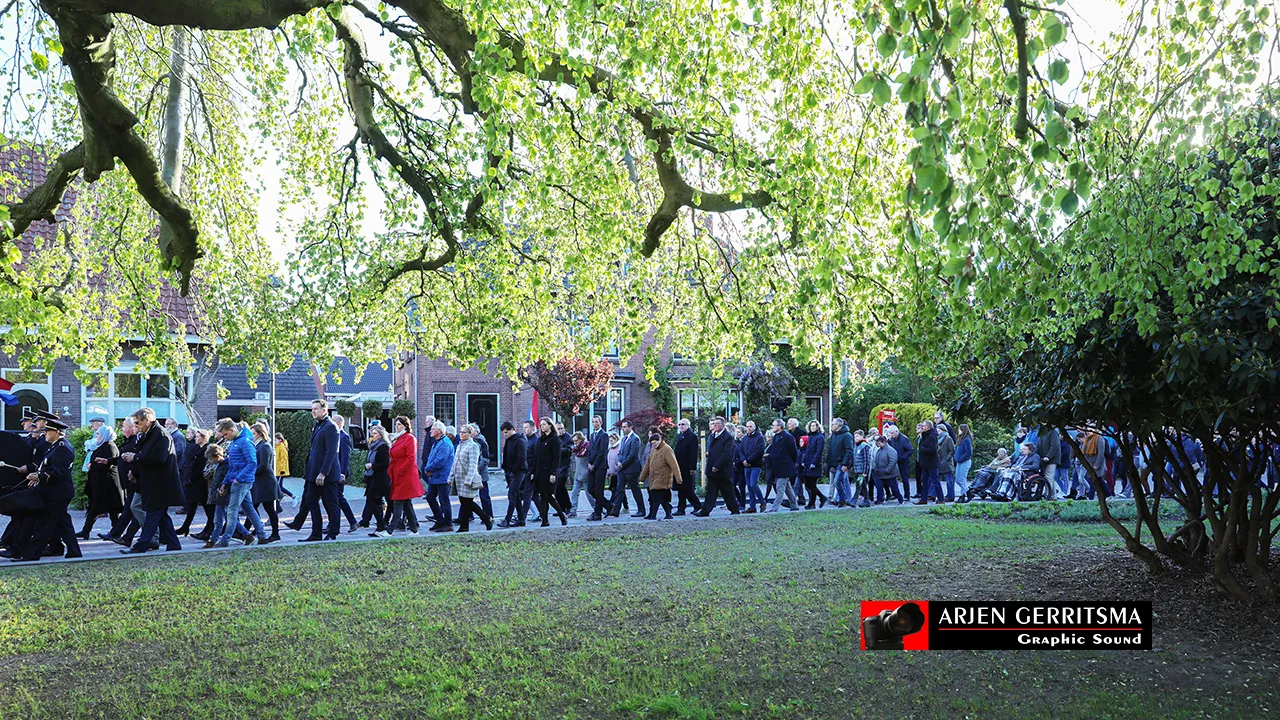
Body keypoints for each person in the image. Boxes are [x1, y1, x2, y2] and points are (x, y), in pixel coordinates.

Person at [4, 418, 82, 561]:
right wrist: (37, 475)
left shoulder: (62, 448)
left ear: (57, 432)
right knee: (63, 523)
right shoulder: (55, 446)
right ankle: (74, 552)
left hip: (57, 492)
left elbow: (58, 473)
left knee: (44, 525)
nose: (45, 433)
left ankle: (30, 555)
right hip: (54, 491)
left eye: (48, 431)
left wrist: (38, 476)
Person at [121, 407, 185, 555]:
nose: (136, 426)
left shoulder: (161, 435)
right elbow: (145, 455)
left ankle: (141, 545)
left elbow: (159, 458)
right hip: (153, 483)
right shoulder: (149, 434)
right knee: (161, 516)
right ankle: (174, 545)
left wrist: (134, 457)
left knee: (153, 515)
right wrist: (135, 470)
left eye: (138, 423)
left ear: (147, 421)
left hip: (160, 484)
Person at [290, 399, 341, 542]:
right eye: (312, 409)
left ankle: (333, 532)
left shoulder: (331, 426)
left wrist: (323, 473)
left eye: (316, 409)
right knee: (310, 500)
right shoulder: (318, 425)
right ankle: (316, 533)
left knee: (330, 503)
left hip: (326, 474)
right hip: (314, 473)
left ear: (324, 410)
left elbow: (331, 452)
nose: (313, 411)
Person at [211, 419, 268, 547]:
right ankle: (262, 535)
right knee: (249, 509)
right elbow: (233, 466)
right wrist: (225, 482)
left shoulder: (244, 442)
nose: (225, 437)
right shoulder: (236, 442)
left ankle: (225, 540)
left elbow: (252, 463)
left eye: (226, 434)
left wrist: (238, 478)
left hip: (242, 481)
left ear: (232, 430)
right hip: (238, 480)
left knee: (231, 511)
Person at [77, 423, 123, 538]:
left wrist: (91, 466)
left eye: (98, 434)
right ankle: (87, 531)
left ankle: (115, 532)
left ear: (105, 435)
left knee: (111, 509)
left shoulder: (110, 446)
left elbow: (107, 465)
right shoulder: (101, 445)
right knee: (96, 507)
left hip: (108, 485)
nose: (96, 436)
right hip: (99, 483)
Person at [450, 424, 493, 532]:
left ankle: (486, 518)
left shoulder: (473, 446)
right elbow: (454, 463)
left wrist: (469, 479)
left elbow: (473, 465)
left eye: (464, 432)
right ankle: (464, 526)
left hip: (467, 478)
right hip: (459, 478)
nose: (461, 434)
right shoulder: (460, 445)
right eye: (460, 432)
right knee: (464, 502)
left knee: (468, 502)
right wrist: (450, 477)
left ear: (470, 434)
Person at [387, 416, 425, 536]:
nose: (397, 426)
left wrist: (401, 471)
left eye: (399, 424)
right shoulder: (398, 438)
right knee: (407, 503)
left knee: (398, 502)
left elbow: (411, 457)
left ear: (405, 425)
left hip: (405, 475)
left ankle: (389, 530)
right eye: (396, 424)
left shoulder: (409, 438)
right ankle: (414, 529)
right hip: (397, 473)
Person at [697, 417, 740, 516]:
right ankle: (705, 511)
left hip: (722, 470)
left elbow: (726, 454)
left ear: (723, 425)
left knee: (727, 491)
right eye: (714, 424)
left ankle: (734, 509)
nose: (715, 426)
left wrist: (717, 466)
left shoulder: (727, 437)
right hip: (712, 469)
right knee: (711, 491)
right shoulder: (713, 436)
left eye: (717, 424)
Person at [531, 418, 568, 526]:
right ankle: (545, 520)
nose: (542, 426)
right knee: (543, 496)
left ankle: (560, 514)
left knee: (547, 495)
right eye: (541, 425)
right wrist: (533, 471)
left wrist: (553, 473)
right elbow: (536, 457)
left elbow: (557, 458)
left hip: (549, 472)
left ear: (550, 425)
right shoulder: (540, 440)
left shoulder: (555, 439)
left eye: (544, 424)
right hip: (539, 472)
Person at [177, 428, 213, 537]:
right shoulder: (197, 448)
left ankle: (210, 528)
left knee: (206, 506)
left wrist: (192, 477)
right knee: (192, 504)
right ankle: (185, 526)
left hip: (201, 482)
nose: (196, 439)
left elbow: (202, 466)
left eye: (198, 437)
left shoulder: (207, 449)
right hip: (193, 481)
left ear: (203, 438)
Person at [249, 423, 282, 543]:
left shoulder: (265, 446)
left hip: (266, 483)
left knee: (268, 509)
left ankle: (275, 534)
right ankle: (251, 531)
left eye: (253, 433)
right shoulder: (258, 446)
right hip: (260, 482)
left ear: (260, 433)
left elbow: (264, 465)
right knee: (252, 507)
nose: (252, 436)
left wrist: (250, 473)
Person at [422, 421, 455, 532]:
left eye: (433, 429)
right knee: (430, 497)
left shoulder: (445, 443)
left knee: (444, 500)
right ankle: (440, 520)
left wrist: (429, 469)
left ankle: (448, 523)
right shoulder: (437, 442)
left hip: (442, 477)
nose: (430, 430)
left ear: (439, 431)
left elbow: (440, 461)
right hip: (435, 477)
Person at [639, 431, 679, 520]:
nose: (654, 444)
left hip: (663, 478)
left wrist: (678, 478)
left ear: (660, 440)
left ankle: (653, 515)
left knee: (656, 498)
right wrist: (642, 477)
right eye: (652, 443)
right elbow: (647, 465)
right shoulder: (653, 450)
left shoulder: (667, 449)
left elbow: (674, 465)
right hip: (654, 478)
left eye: (655, 442)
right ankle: (668, 514)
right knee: (662, 499)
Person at [610, 420, 646, 518]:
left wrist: (623, 463)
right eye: (622, 427)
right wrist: (619, 461)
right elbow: (620, 452)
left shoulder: (635, 439)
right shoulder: (623, 439)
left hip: (632, 469)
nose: (623, 429)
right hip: (622, 469)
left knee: (635, 489)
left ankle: (641, 510)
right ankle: (615, 511)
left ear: (630, 427)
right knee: (619, 489)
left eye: (625, 427)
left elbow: (632, 454)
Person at [361, 424, 393, 534]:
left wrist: (372, 466)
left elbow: (385, 463)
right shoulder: (373, 445)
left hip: (380, 478)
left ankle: (382, 524)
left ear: (380, 435)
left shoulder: (383, 446)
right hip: (372, 477)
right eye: (372, 433)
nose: (372, 435)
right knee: (375, 501)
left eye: (375, 433)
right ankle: (381, 525)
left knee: (372, 500)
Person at [498, 421, 529, 528]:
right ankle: (521, 519)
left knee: (511, 495)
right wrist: (505, 469)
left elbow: (521, 458)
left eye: (506, 432)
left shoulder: (520, 441)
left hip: (518, 472)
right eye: (504, 433)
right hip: (510, 472)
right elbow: (506, 455)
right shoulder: (509, 441)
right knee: (515, 495)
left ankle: (507, 519)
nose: (505, 434)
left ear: (512, 429)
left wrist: (513, 471)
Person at [332, 415, 360, 533]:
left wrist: (342, 473)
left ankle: (352, 521)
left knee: (338, 497)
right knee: (334, 499)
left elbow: (345, 456)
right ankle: (333, 524)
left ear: (339, 424)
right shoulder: (335, 436)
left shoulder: (344, 437)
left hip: (340, 473)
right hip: (334, 472)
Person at [765, 419, 800, 512]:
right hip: (777, 466)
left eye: (774, 425)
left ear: (779, 426)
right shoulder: (776, 437)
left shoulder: (788, 437)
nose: (772, 427)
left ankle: (774, 508)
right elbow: (774, 450)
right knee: (787, 487)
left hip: (785, 466)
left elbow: (793, 452)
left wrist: (792, 462)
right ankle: (794, 505)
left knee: (780, 487)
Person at [673, 418, 703, 516]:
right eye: (680, 424)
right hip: (679, 466)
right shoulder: (680, 436)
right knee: (681, 488)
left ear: (688, 425)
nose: (681, 426)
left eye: (683, 424)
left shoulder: (692, 437)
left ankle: (697, 505)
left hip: (686, 467)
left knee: (687, 489)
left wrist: (692, 468)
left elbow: (693, 453)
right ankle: (681, 509)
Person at [585, 415, 610, 521]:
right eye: (593, 422)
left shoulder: (604, 435)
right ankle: (608, 505)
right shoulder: (592, 435)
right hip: (592, 466)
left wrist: (595, 465)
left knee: (599, 490)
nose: (595, 424)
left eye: (597, 422)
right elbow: (590, 450)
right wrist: (589, 463)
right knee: (590, 488)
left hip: (600, 467)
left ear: (601, 423)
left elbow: (602, 452)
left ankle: (597, 513)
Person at [737, 420, 766, 513]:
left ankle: (762, 501)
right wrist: (744, 460)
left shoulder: (760, 438)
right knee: (749, 486)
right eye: (747, 426)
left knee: (753, 484)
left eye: (750, 426)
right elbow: (741, 450)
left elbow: (759, 451)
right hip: (746, 465)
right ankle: (752, 506)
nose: (748, 428)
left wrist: (748, 460)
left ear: (754, 427)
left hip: (756, 465)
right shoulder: (745, 438)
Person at [800, 420, 828, 509]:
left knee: (811, 484)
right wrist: (803, 460)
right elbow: (807, 450)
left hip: (814, 463)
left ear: (818, 427)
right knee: (808, 484)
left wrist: (814, 462)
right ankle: (821, 497)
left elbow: (818, 451)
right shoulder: (810, 437)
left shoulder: (820, 437)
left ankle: (812, 503)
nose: (813, 427)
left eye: (814, 426)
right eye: (811, 426)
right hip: (808, 462)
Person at [913, 421, 943, 505]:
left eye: (923, 426)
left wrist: (922, 448)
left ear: (928, 427)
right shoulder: (924, 436)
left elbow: (933, 450)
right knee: (924, 481)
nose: (922, 427)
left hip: (931, 462)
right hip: (925, 463)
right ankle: (923, 499)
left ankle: (941, 498)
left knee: (935, 480)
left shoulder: (932, 436)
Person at [826, 418, 853, 507]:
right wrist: (829, 464)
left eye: (833, 424)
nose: (832, 426)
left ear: (838, 425)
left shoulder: (847, 436)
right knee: (839, 481)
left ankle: (843, 500)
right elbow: (830, 450)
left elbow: (849, 450)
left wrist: (845, 464)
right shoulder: (833, 436)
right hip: (834, 463)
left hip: (841, 463)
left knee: (838, 481)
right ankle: (843, 499)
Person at [871, 434, 902, 504]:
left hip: (889, 474)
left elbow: (893, 461)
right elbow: (876, 460)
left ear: (883, 442)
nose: (878, 445)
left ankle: (900, 499)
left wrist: (887, 470)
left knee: (894, 488)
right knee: (879, 487)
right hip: (880, 473)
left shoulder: (890, 450)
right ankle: (880, 499)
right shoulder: (879, 450)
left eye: (879, 443)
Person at [1034, 425, 1062, 501]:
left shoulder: (1053, 432)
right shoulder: (1041, 433)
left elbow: (1055, 446)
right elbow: (1038, 446)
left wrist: (1048, 456)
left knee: (1049, 476)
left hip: (1052, 459)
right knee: (1049, 477)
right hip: (1044, 458)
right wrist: (1034, 455)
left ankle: (1048, 494)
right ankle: (1053, 496)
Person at [886, 425, 914, 501]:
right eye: (890, 433)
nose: (891, 435)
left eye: (892, 433)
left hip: (903, 462)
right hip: (895, 461)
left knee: (904, 479)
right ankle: (895, 494)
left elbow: (910, 450)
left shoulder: (904, 439)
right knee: (893, 478)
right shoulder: (892, 439)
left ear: (897, 431)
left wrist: (903, 457)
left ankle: (907, 495)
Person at [568, 431, 591, 518]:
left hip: (585, 474)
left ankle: (597, 508)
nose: (575, 443)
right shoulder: (577, 449)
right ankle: (573, 511)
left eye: (576, 441)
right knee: (574, 492)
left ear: (581, 439)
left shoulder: (587, 447)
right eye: (574, 441)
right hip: (578, 474)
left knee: (589, 494)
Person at [848, 429, 872, 507]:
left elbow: (866, 460)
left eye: (857, 436)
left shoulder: (864, 446)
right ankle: (867, 500)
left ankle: (854, 500)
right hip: (857, 469)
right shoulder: (856, 446)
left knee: (858, 485)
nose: (856, 438)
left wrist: (865, 471)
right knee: (863, 486)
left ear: (862, 436)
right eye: (855, 437)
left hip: (862, 470)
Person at [954, 424, 974, 504]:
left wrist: (961, 458)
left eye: (960, 429)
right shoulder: (961, 439)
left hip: (964, 462)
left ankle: (963, 496)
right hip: (960, 462)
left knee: (961, 479)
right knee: (958, 480)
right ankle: (969, 493)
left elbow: (969, 453)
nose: (958, 431)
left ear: (964, 430)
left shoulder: (966, 440)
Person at [937, 423, 957, 502]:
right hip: (941, 462)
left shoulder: (948, 438)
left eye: (939, 430)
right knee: (947, 480)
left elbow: (952, 450)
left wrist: (947, 458)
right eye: (937, 431)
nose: (938, 432)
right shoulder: (938, 439)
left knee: (949, 480)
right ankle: (948, 495)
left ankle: (951, 496)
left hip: (947, 463)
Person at [273, 432, 295, 503]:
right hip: (277, 469)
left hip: (280, 470)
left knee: (278, 486)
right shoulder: (276, 447)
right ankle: (291, 496)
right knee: (279, 486)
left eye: (275, 440)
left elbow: (283, 460)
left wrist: (282, 470)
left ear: (280, 440)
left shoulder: (282, 447)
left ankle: (283, 498)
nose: (274, 441)